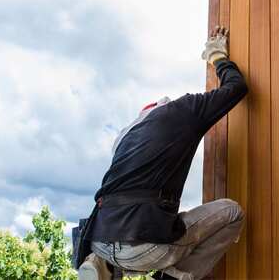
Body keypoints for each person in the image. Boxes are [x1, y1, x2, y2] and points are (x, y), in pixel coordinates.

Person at [78, 26, 247, 280]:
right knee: (232, 213)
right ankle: (175, 278)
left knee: (129, 234)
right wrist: (217, 56)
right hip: (145, 245)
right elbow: (236, 88)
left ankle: (100, 263)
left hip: (97, 238)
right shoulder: (184, 110)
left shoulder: (124, 137)